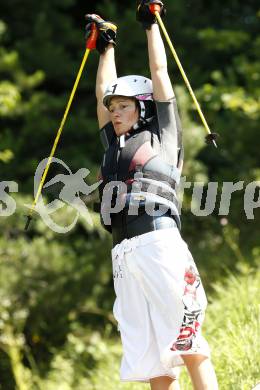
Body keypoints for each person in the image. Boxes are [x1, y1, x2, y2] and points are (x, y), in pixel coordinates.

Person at [86, 2, 218, 389]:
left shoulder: (162, 133)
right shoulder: (114, 141)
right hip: (124, 254)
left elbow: (159, 73)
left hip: (159, 242)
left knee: (187, 340)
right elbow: (100, 94)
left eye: (123, 106)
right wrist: (105, 46)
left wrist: (150, 26)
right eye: (113, 108)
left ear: (142, 109)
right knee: (151, 360)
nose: (114, 112)